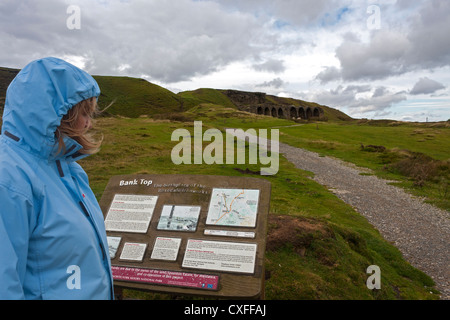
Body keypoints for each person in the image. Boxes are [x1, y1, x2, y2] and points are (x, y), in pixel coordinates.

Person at [0, 57, 113, 300]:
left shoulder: (68, 168)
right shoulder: (8, 179)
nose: (88, 123)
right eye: (84, 113)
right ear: (58, 113)